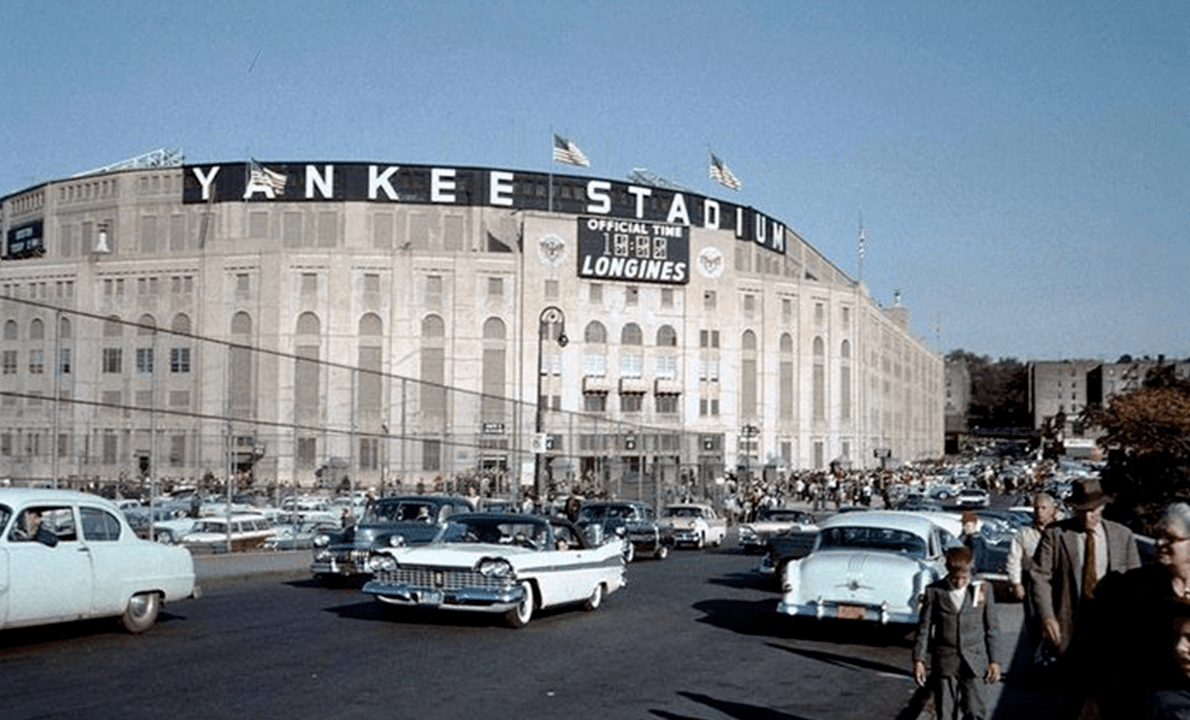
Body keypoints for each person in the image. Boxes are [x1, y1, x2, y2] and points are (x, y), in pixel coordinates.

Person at [1029, 477, 1142, 718]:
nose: (1086, 517)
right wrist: (1048, 616)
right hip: (1072, 626)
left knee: (1110, 697)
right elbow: (1039, 576)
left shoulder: (1123, 536)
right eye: (1080, 511)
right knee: (1075, 697)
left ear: (1102, 508)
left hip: (1111, 629)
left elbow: (1136, 584)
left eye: (1092, 511)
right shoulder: (1056, 534)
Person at [1097, 503, 1190, 717]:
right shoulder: (1135, 587)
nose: (1159, 543)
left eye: (1171, 538)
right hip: (1140, 702)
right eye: (1157, 535)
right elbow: (1108, 647)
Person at [913, 545, 1002, 720]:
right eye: (955, 578)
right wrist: (919, 659)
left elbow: (992, 628)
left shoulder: (982, 589)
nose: (960, 583)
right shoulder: (934, 591)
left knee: (976, 711)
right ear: (948, 571)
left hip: (974, 661)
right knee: (945, 712)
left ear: (970, 571)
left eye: (964, 578)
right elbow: (924, 629)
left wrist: (995, 661)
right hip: (945, 661)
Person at [1006, 492, 1059, 672]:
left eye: (1044, 508)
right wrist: (1016, 583)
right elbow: (1014, 558)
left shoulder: (1060, 532)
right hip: (1032, 582)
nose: (1040, 512)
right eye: (1037, 508)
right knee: (1034, 623)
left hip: (1056, 582)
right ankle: (1037, 665)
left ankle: (1056, 661)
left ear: (1053, 510)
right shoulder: (1024, 533)